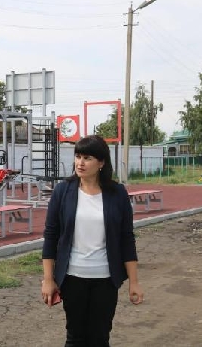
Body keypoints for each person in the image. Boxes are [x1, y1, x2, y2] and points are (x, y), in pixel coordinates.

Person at [41, 135, 144, 346]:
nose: (80, 163)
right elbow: (51, 236)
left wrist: (134, 282)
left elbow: (126, 239)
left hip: (105, 279)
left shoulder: (117, 193)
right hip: (72, 278)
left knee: (100, 338)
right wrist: (48, 279)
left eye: (87, 158)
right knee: (75, 338)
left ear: (101, 162)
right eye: (78, 156)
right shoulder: (63, 191)